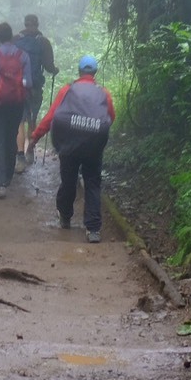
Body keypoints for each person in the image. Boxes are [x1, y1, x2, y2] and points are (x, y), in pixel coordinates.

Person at [29, 55, 115, 242]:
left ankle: (65, 216)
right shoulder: (103, 92)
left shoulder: (67, 89)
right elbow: (110, 117)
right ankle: (93, 229)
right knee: (92, 182)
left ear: (79, 71)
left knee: (68, 180)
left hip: (68, 143)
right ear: (95, 73)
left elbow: (51, 116)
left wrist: (35, 136)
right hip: (93, 144)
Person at [0, 21, 33, 198]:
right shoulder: (23, 56)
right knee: (11, 136)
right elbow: (29, 82)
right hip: (16, 103)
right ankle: (8, 175)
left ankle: (0, 183)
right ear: (10, 36)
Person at [13, 15, 57, 171]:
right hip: (35, 87)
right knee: (32, 119)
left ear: (24, 24)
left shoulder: (16, 39)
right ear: (37, 24)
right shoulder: (43, 42)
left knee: (20, 121)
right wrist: (54, 70)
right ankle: (30, 150)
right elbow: (49, 65)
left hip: (17, 87)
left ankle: (19, 156)